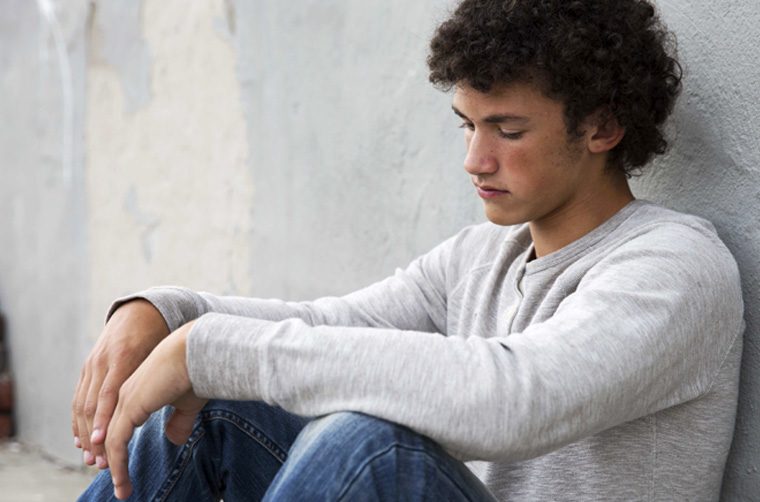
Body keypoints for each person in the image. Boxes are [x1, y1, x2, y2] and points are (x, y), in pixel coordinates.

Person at [74, 0, 744, 500]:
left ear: (602, 126)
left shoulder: (675, 267)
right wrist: (169, 315)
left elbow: (517, 397)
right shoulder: (480, 258)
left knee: (366, 446)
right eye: (467, 126)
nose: (475, 160)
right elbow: (331, 325)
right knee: (219, 401)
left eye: (507, 130)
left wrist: (212, 349)